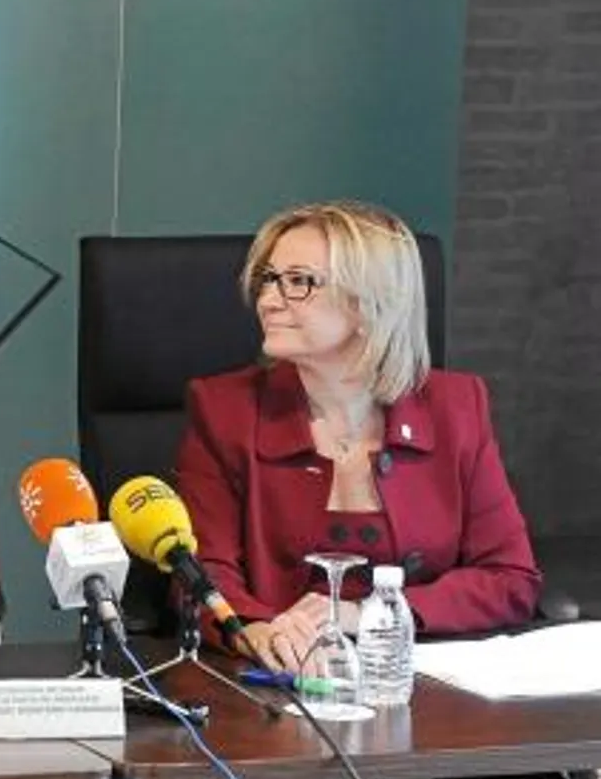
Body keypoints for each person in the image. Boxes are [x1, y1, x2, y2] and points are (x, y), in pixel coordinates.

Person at [175, 200, 541, 672]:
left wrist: (367, 617)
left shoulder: (457, 408)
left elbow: (510, 578)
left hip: (422, 685)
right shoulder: (225, 410)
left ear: (370, 304)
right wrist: (255, 632)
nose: (268, 300)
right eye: (269, 278)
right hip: (282, 685)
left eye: (299, 282)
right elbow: (203, 574)